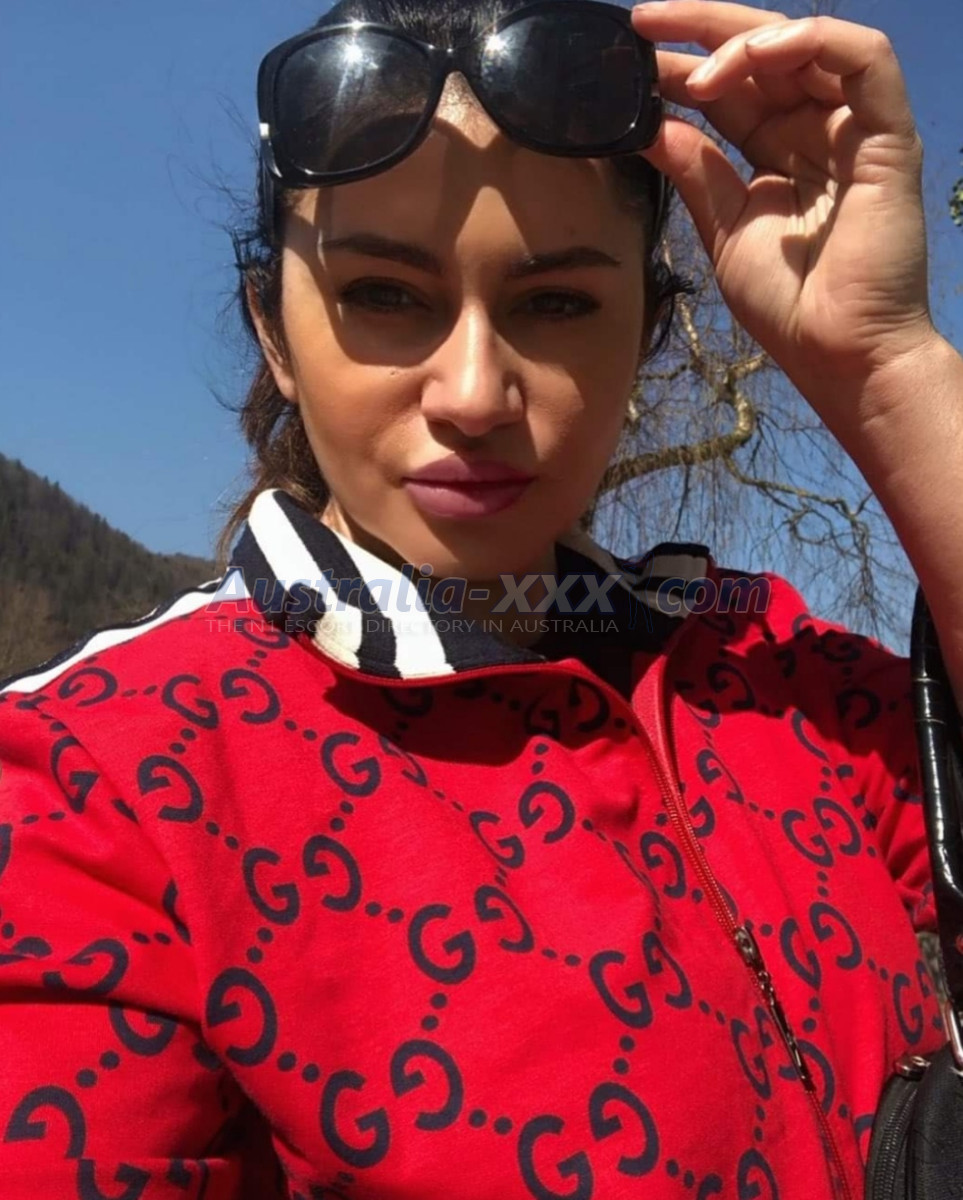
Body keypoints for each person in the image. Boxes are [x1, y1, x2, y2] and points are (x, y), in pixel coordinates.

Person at [1, 0, 961, 1195]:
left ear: (648, 335)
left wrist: (889, 366)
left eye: (555, 304)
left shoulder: (766, 668)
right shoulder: (94, 778)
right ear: (275, 334)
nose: (472, 393)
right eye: (383, 295)